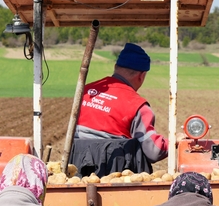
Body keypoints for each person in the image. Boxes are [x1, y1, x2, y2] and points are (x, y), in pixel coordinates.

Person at [71, 43, 182, 176]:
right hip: (114, 174)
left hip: (77, 169)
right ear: (141, 76)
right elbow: (153, 151)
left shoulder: (84, 91)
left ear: (115, 67)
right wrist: (174, 141)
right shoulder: (138, 106)